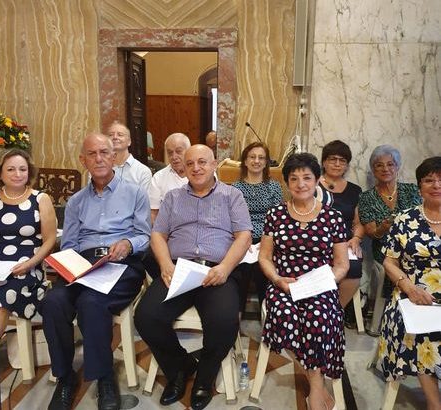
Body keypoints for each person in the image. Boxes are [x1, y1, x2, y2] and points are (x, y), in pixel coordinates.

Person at [135, 144, 252, 410]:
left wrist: (225, 268)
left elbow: (244, 236)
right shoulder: (173, 197)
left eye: (202, 162)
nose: (196, 168)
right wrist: (165, 264)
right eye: (190, 164)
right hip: (179, 269)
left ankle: (204, 377)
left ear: (214, 164)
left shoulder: (232, 195)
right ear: (184, 168)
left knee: (224, 321)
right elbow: (158, 234)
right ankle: (179, 367)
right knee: (146, 317)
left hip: (216, 271)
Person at [40, 132, 151, 410]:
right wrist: (70, 265)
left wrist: (128, 243)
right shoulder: (76, 201)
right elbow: (69, 244)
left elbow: (145, 235)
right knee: (53, 302)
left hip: (122, 263)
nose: (99, 159)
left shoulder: (135, 193)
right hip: (84, 264)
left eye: (104, 153)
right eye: (92, 154)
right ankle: (65, 377)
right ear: (83, 160)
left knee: (92, 302)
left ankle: (104, 378)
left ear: (114, 157)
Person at [259, 152, 349, 410]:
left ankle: (315, 387)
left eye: (307, 178)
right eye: (294, 178)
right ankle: (317, 386)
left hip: (320, 285)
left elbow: (341, 264)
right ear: (287, 182)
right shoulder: (275, 214)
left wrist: (323, 282)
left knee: (319, 318)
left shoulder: (333, 217)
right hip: (284, 284)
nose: (300, 184)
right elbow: (265, 257)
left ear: (317, 180)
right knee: (286, 316)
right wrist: (277, 279)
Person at [378, 156, 441, 410]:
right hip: (412, 292)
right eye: (429, 180)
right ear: (419, 187)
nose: (436, 185)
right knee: (423, 334)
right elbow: (389, 262)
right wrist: (408, 287)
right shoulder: (405, 219)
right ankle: (434, 403)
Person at [0, 149, 57, 350]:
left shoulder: (40, 199)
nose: (18, 174)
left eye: (23, 169)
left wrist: (30, 264)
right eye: (11, 169)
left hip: (27, 268)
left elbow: (50, 240)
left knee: (2, 295)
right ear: (0, 173)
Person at [358, 145, 421, 334]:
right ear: (373, 169)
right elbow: (372, 233)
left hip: (413, 247)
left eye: (390, 164)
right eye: (379, 165)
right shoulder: (367, 197)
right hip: (384, 250)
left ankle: (420, 317)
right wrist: (384, 227)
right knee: (390, 266)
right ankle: (384, 320)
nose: (385, 169)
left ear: (397, 166)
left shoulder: (412, 190)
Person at [232, 142, 282, 316]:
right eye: (252, 157)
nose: (256, 161)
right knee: (242, 269)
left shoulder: (274, 186)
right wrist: (243, 240)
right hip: (242, 236)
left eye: (261, 157)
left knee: (263, 269)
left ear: (266, 162)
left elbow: (277, 218)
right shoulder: (235, 188)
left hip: (267, 237)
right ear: (245, 161)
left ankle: (266, 315)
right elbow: (232, 218)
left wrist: (267, 241)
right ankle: (236, 316)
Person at [319, 140, 364, 324]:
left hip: (344, 243)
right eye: (332, 159)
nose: (337, 164)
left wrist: (356, 238)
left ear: (347, 165)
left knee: (354, 268)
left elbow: (358, 223)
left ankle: (335, 314)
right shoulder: (311, 185)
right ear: (324, 162)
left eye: (342, 160)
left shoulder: (355, 190)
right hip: (317, 241)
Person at [148, 132, 191, 222]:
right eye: (170, 153)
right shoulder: (158, 177)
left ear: (189, 151)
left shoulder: (202, 174)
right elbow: (153, 213)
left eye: (178, 151)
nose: (174, 157)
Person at [107, 121, 152, 191]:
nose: (115, 137)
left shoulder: (142, 171)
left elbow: (144, 198)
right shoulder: (99, 168)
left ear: (129, 141)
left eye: (120, 135)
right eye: (111, 135)